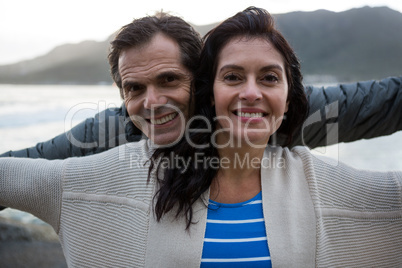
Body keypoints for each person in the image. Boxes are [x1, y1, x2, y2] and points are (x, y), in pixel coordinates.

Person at [0, 8, 401, 267]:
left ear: (203, 80)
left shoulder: (269, 105)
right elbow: (22, 167)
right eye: (134, 88)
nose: (153, 102)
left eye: (170, 79)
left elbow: (380, 103)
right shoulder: (112, 131)